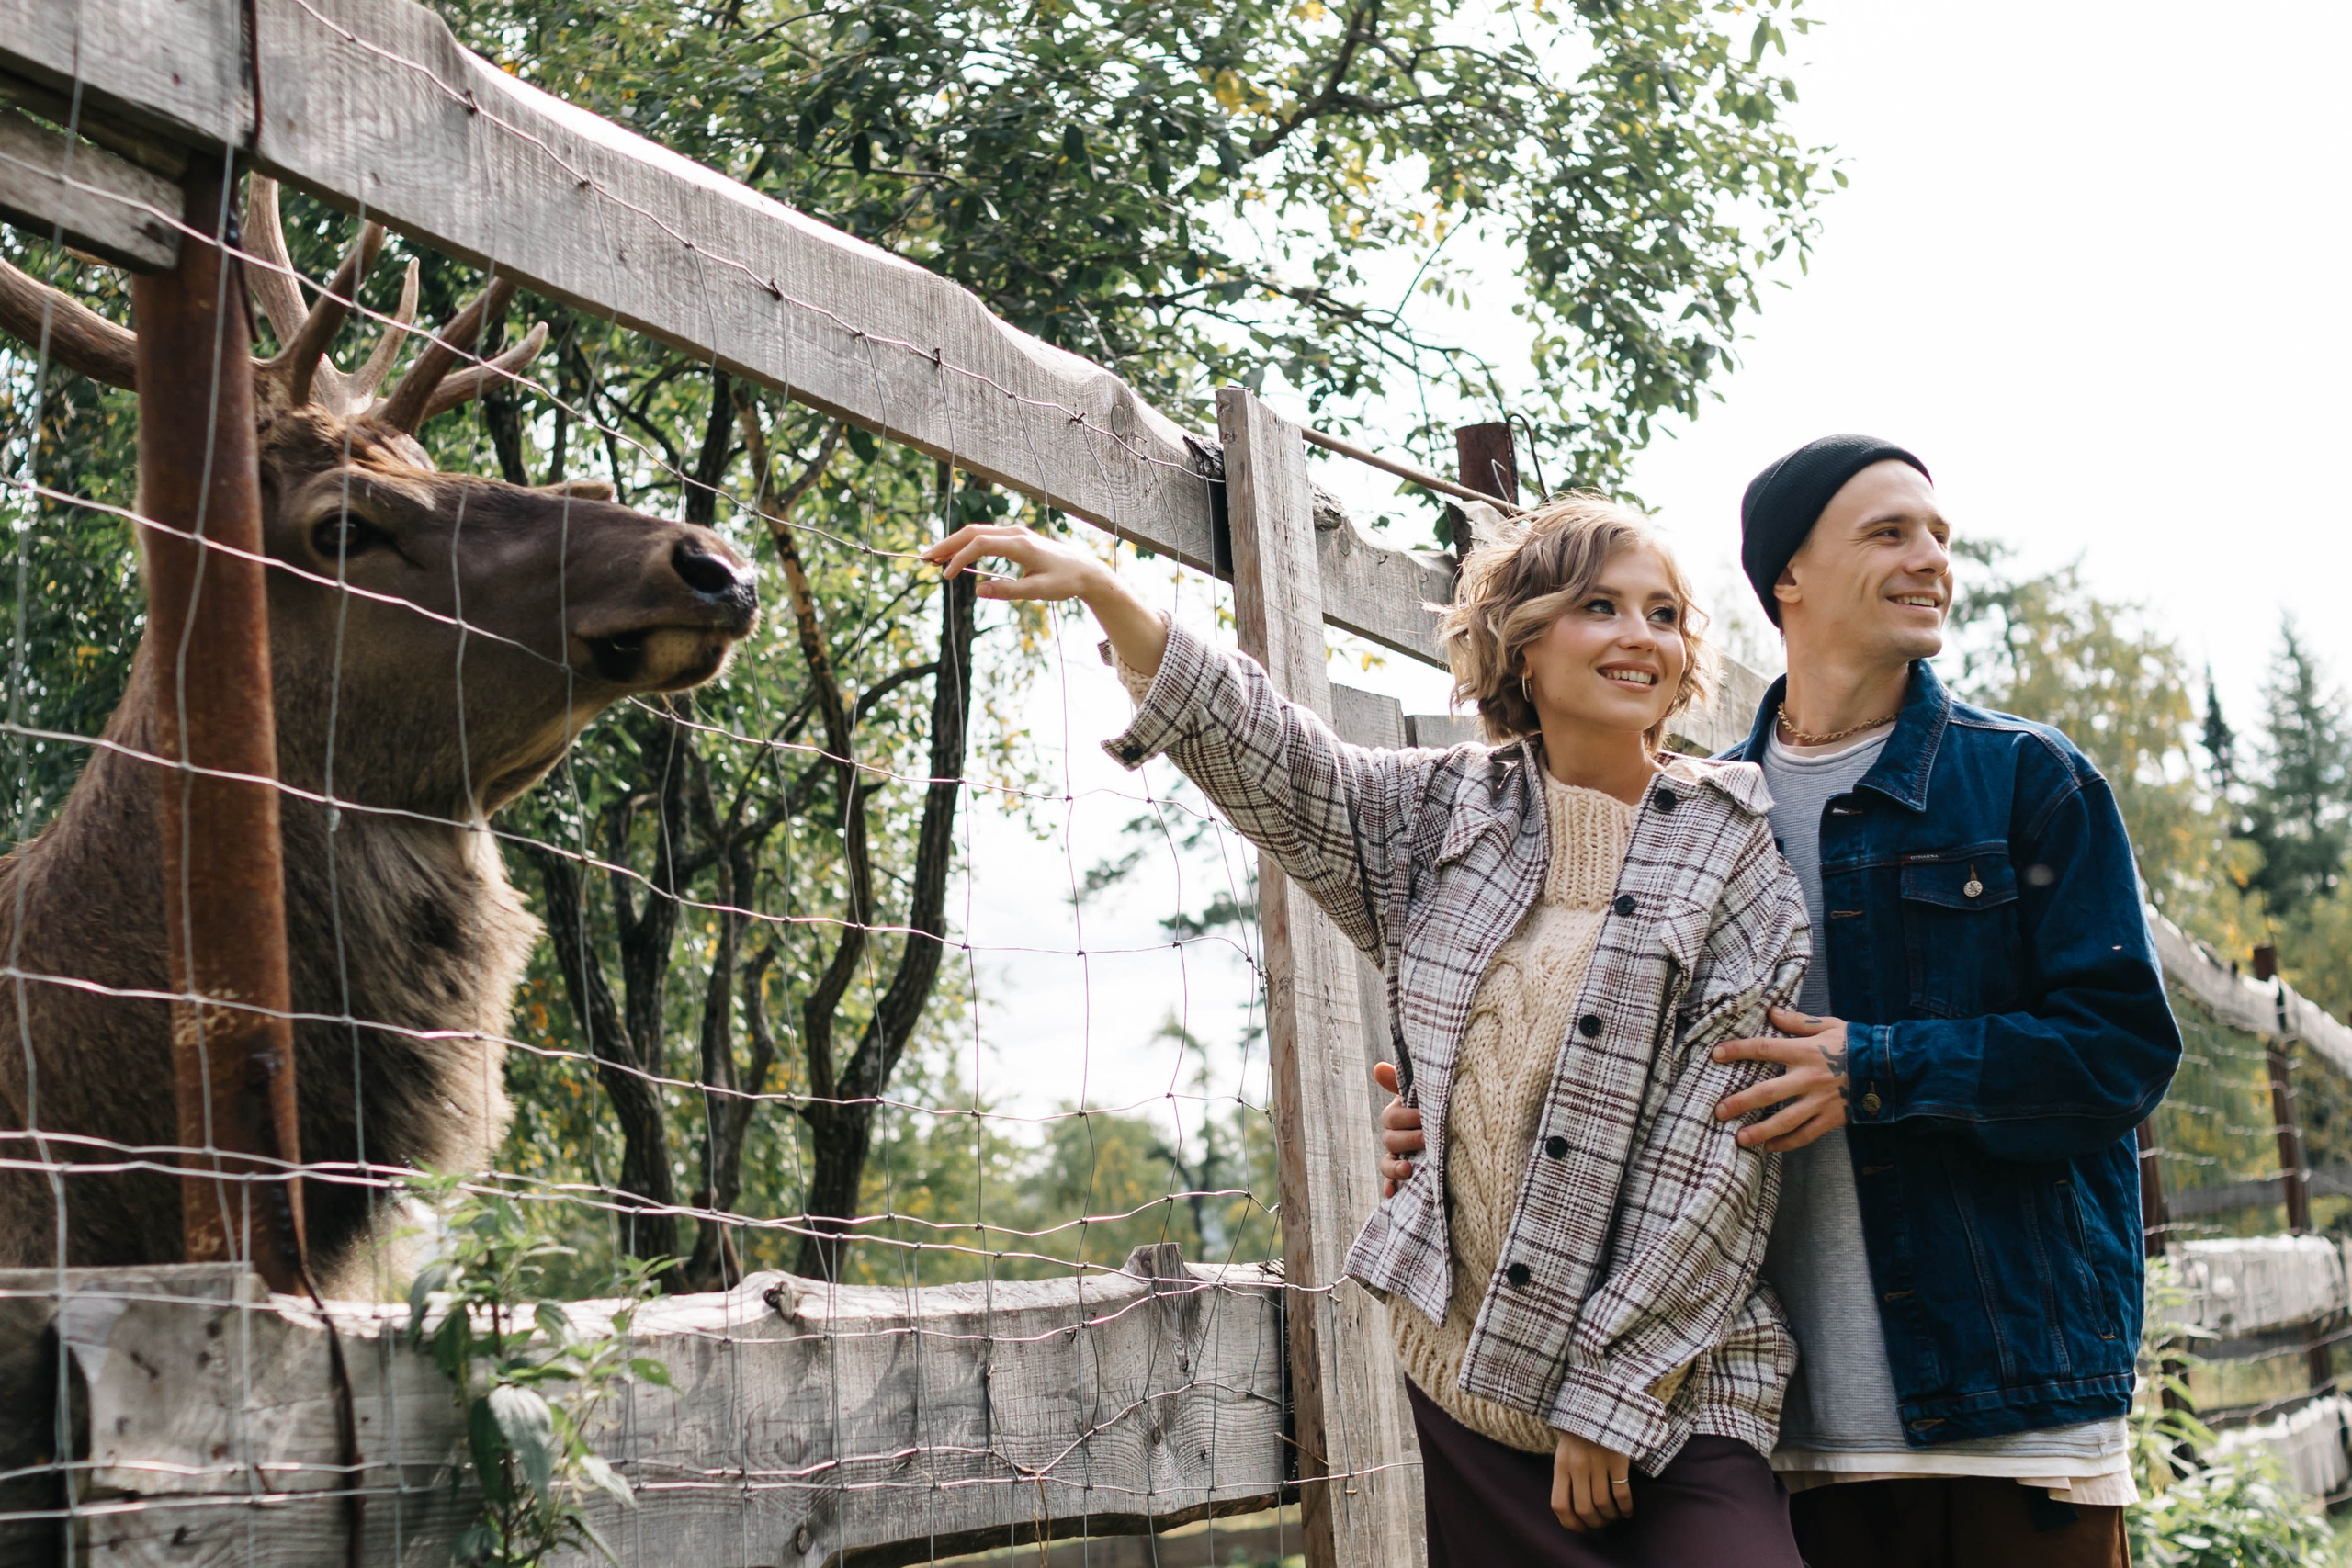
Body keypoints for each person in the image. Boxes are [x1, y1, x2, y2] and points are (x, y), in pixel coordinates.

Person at [922, 495, 1811, 1566]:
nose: (1641, 637)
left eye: (1663, 615)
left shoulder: (1733, 860)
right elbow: (1275, 760)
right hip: (1468, 1384)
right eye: (1600, 608)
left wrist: (1608, 1398)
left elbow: (1713, 1163)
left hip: (1674, 1391)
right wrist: (1113, 594)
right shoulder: (1437, 818)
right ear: (1521, 646)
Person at [1384, 436, 2181, 1568]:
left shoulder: (2024, 780)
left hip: (2006, 1417)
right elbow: (1587, 1066)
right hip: (1774, 1423)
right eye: (1889, 533)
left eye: (1938, 538)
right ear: (1786, 578)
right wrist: (1450, 1130)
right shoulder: (1694, 812)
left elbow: (2120, 1054)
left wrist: (1877, 1068)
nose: (1930, 562)